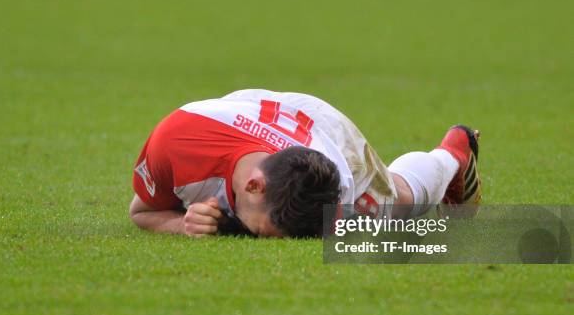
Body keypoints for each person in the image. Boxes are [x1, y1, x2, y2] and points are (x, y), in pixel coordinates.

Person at [129, 89, 481, 238]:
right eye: (260, 232)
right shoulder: (173, 144)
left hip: (323, 128)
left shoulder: (339, 182)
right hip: (242, 108)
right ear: (254, 185)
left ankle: (455, 152)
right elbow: (140, 212)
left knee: (398, 204)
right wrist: (183, 224)